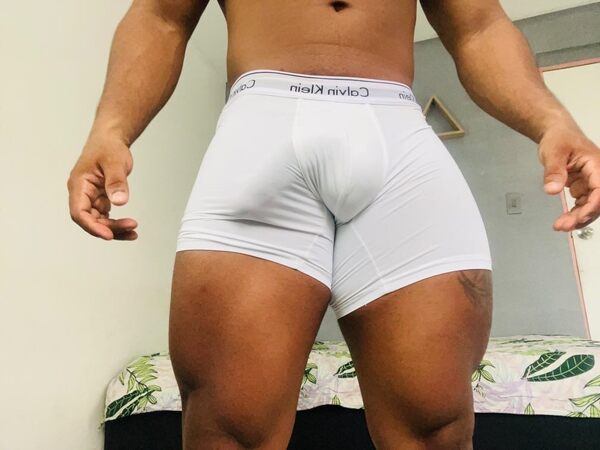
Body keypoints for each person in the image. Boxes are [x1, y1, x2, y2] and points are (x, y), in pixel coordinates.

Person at [67, 0, 600, 448]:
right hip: (263, 123)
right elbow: (161, 16)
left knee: (436, 427)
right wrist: (111, 128)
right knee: (228, 431)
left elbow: (478, 26)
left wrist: (552, 121)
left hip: (397, 133)